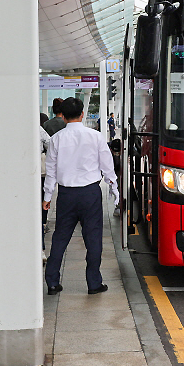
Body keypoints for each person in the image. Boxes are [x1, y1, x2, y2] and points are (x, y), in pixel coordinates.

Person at [43, 97, 119, 295]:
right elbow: (107, 166)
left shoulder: (56, 139)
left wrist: (47, 196)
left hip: (66, 194)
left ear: (63, 116)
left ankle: (52, 282)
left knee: (60, 238)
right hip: (90, 193)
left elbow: (50, 171)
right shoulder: (95, 137)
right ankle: (94, 283)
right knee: (93, 239)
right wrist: (114, 189)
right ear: (82, 114)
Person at [39, 124, 52, 260]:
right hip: (36, 177)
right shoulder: (39, 129)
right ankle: (40, 250)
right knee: (38, 216)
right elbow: (49, 145)